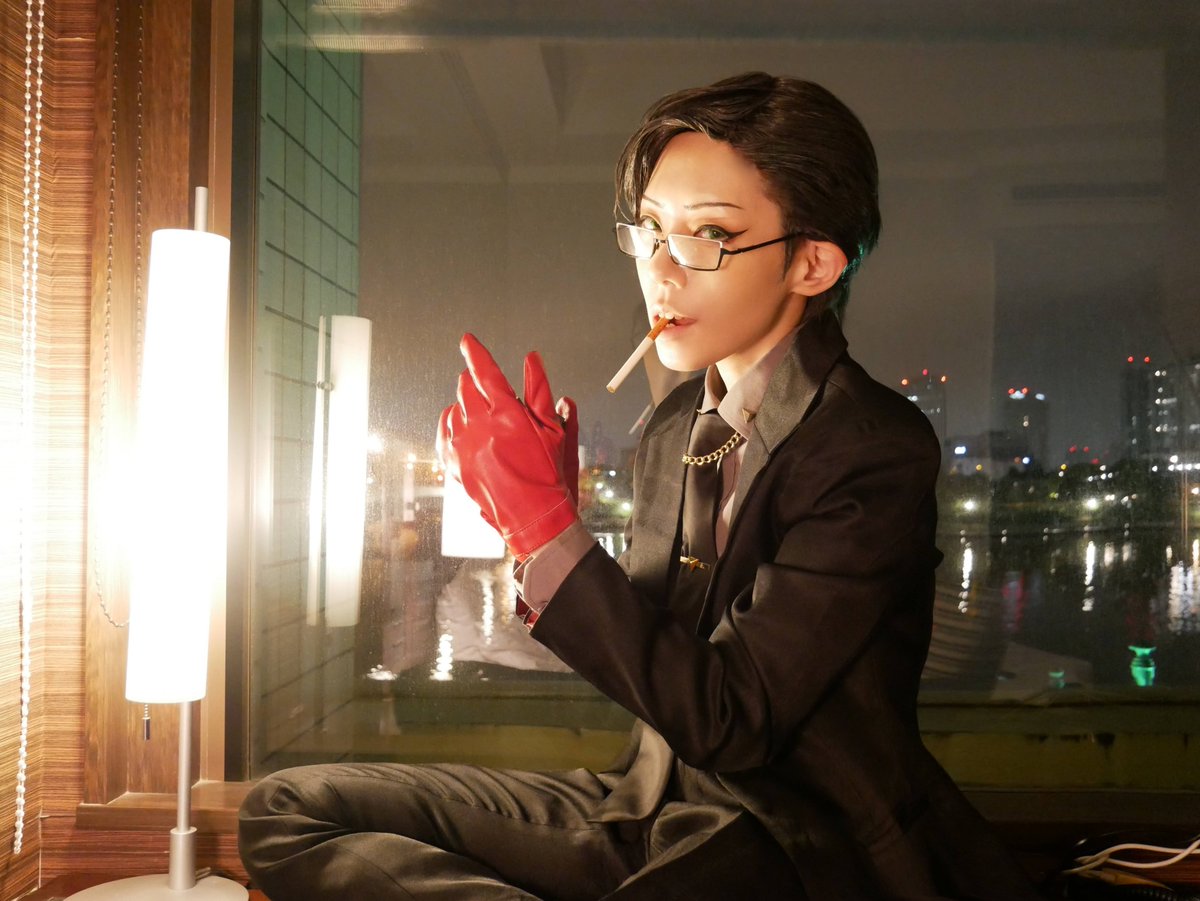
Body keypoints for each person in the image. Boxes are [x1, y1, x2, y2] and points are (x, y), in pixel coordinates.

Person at [239, 71, 1042, 900]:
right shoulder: (672, 427)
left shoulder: (869, 446)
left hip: (795, 845)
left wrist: (547, 530)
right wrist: (541, 532)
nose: (661, 270)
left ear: (811, 262)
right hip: (650, 803)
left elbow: (730, 718)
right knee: (286, 809)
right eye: (651, 229)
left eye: (709, 235)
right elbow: (652, 660)